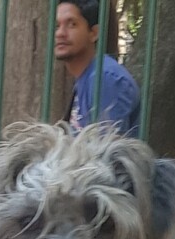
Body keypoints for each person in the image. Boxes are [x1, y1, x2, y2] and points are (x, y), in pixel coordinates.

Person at [55, 0, 140, 137]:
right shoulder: (88, 76)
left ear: (94, 33)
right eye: (57, 25)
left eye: (72, 24)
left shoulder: (105, 78)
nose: (60, 33)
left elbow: (104, 154)